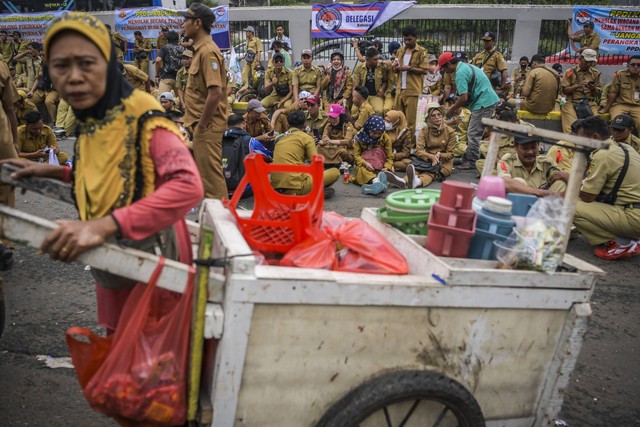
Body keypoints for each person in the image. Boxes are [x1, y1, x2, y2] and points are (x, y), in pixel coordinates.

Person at [2, 12, 203, 333]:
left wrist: (102, 226)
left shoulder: (145, 116)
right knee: (121, 352)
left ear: (109, 63)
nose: (74, 77)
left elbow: (187, 187)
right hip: (116, 260)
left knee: (147, 364)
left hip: (150, 263)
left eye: (87, 63)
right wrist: (47, 172)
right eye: (61, 66)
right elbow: (112, 177)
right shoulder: (96, 116)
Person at [571, 116, 640, 260]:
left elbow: (588, 196)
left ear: (595, 136)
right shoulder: (626, 147)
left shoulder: (602, 154)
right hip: (633, 211)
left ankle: (623, 243)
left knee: (569, 205)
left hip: (634, 217)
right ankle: (628, 238)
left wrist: (569, 181)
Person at [180, 2, 229, 200]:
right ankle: (213, 223)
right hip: (201, 125)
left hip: (207, 126)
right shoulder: (199, 50)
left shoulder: (208, 52)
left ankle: (223, 224)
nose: (183, 24)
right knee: (206, 179)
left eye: (186, 20)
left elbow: (215, 93)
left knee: (212, 182)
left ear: (197, 23)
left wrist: (201, 125)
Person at [440, 51, 499, 170]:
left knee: (473, 133)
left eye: (444, 68)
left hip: (484, 102)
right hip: (485, 100)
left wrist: (451, 109)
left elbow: (463, 98)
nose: (444, 71)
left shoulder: (460, 73)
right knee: (472, 131)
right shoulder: (466, 66)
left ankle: (471, 161)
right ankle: (467, 158)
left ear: (449, 64)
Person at [270, 110, 339, 198]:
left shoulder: (278, 138)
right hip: (296, 187)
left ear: (287, 124)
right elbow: (316, 165)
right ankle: (314, 192)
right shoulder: (307, 138)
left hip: (275, 187)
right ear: (304, 124)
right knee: (335, 172)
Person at [386, 105, 455, 189]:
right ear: (429, 118)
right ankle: (403, 181)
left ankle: (418, 182)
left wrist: (439, 155)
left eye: (439, 115)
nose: (437, 117)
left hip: (443, 162)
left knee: (430, 173)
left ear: (442, 116)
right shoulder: (424, 130)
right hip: (427, 158)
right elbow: (418, 150)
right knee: (417, 169)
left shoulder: (450, 132)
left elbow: (450, 154)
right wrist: (430, 156)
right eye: (433, 115)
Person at [392, 26, 429, 140]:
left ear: (416, 38)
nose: (407, 42)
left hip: (412, 90)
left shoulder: (421, 52)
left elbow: (424, 70)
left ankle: (410, 145)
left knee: (411, 121)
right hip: (399, 90)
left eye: (410, 39)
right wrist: (395, 67)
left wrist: (410, 68)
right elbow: (395, 70)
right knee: (398, 119)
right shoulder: (400, 51)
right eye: (405, 40)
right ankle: (399, 144)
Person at [0, 59, 20, 270]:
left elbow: (9, 107)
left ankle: (5, 245)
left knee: (6, 187)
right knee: (6, 190)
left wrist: (14, 140)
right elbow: (9, 108)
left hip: (2, 138)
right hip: (3, 139)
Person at [497, 136, 565, 197]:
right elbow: (506, 183)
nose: (530, 152)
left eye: (533, 147)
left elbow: (564, 180)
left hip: (543, 206)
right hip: (517, 207)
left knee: (561, 183)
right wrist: (541, 193)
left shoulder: (546, 163)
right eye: (525, 148)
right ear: (516, 147)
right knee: (518, 181)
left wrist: (566, 176)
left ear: (538, 146)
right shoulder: (507, 161)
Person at [560, 49, 601, 133]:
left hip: (589, 103)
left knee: (597, 128)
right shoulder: (570, 72)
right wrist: (578, 86)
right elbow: (564, 91)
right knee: (571, 128)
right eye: (587, 61)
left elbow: (598, 93)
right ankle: (571, 144)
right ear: (580, 58)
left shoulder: (595, 73)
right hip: (572, 102)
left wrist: (593, 88)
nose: (589, 64)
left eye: (591, 62)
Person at [352, 115, 393, 195]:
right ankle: (376, 181)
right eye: (374, 133)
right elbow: (356, 156)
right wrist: (365, 163)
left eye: (379, 133)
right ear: (369, 129)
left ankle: (375, 183)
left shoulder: (385, 138)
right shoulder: (359, 138)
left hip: (380, 164)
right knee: (361, 170)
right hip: (365, 164)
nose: (377, 136)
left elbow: (390, 157)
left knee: (378, 151)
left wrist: (387, 167)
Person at [598, 55, 640, 132]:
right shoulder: (620, 75)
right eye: (633, 64)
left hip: (637, 106)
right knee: (617, 122)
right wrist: (606, 108)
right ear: (628, 65)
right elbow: (613, 93)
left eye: (638, 65)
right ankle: (613, 142)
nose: (636, 67)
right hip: (620, 104)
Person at [471, 31, 509, 97]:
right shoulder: (478, 56)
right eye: (484, 41)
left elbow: (504, 72)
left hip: (491, 88)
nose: (485, 43)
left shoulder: (497, 56)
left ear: (494, 42)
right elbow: (472, 71)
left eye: (488, 41)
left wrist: (501, 88)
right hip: (478, 87)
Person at [352, 47, 386, 115]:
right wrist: (355, 96)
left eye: (378, 58)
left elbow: (385, 80)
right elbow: (355, 85)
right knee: (354, 111)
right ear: (367, 59)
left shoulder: (381, 67)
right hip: (362, 96)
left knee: (379, 111)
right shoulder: (359, 68)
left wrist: (382, 89)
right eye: (375, 59)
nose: (378, 61)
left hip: (376, 95)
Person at [320, 103, 356, 168]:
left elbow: (347, 141)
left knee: (343, 152)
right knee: (318, 147)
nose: (332, 120)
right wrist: (322, 141)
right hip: (332, 149)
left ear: (340, 116)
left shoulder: (348, 125)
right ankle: (335, 163)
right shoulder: (329, 125)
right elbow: (325, 136)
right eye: (330, 117)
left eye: (335, 117)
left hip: (345, 150)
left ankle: (332, 162)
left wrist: (331, 141)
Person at [442, 94, 470, 159]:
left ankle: (445, 153)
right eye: (450, 104)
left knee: (464, 150)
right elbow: (438, 125)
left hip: (460, 143)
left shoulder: (468, 114)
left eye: (454, 103)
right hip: (446, 141)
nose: (452, 106)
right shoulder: (445, 113)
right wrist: (451, 122)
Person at [383, 41, 401, 114]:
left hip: (401, 93)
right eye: (393, 53)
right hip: (390, 93)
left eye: (397, 52)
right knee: (386, 109)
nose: (395, 54)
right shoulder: (388, 64)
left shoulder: (403, 63)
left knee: (399, 110)